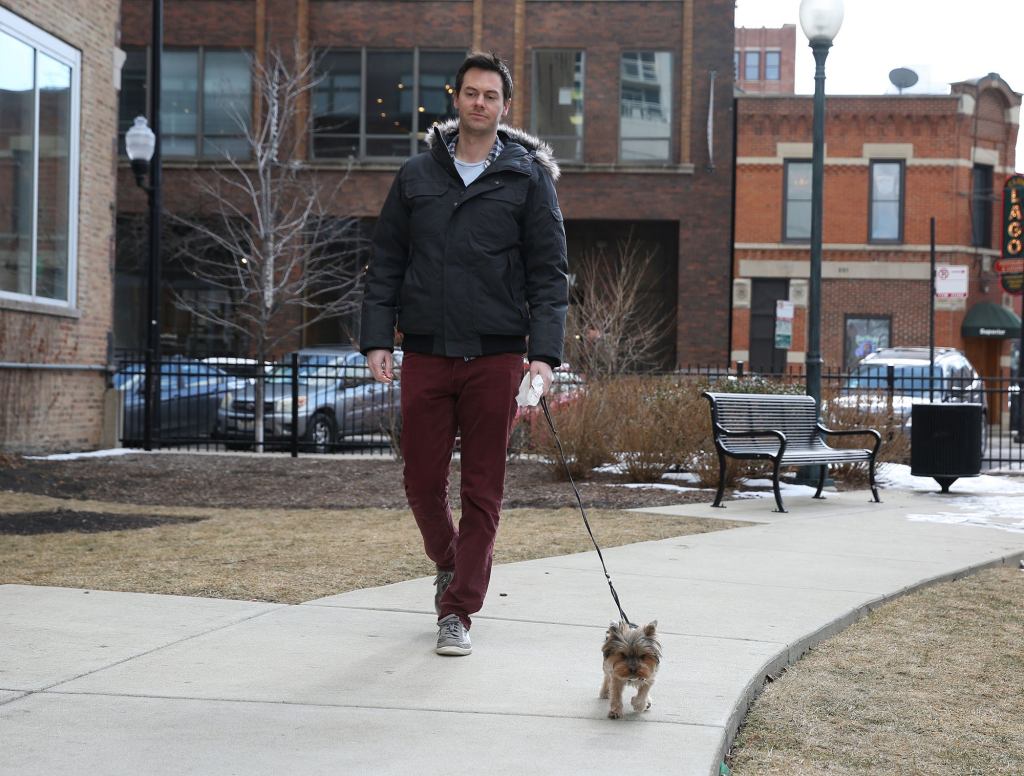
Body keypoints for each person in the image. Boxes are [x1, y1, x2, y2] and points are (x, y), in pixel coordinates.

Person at [359, 52, 569, 656]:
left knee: (483, 491)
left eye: (491, 96)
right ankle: (452, 564)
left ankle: (458, 611)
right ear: (457, 99)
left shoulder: (528, 178)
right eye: (471, 93)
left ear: (505, 107)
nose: (480, 103)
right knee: (421, 482)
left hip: (497, 357)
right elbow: (387, 265)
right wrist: (378, 338)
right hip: (425, 353)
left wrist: (544, 357)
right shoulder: (416, 177)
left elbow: (549, 276)